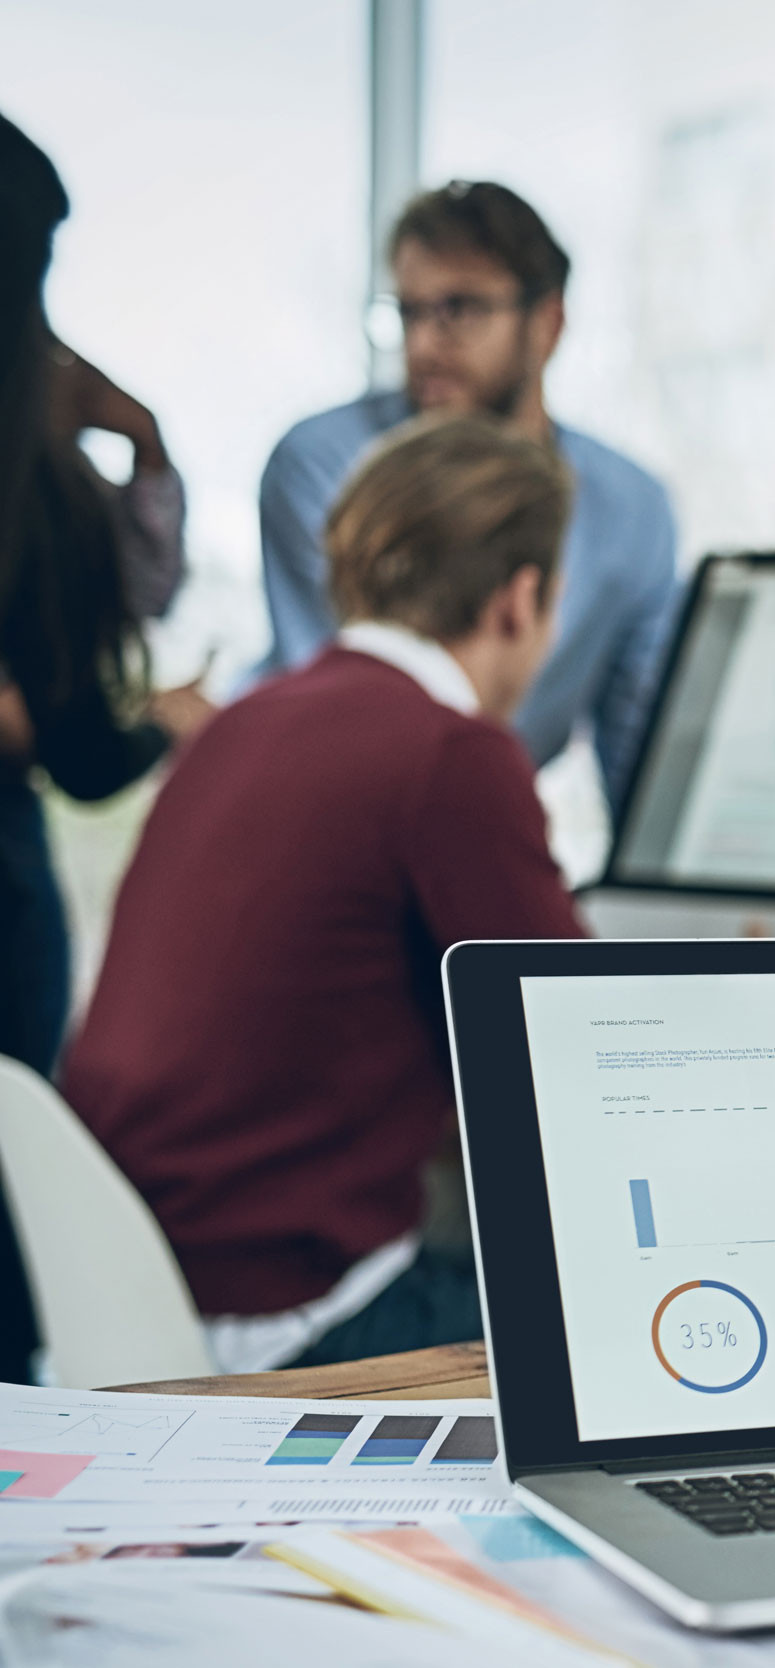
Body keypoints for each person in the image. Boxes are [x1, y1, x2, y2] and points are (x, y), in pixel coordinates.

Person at [61, 415, 586, 1371]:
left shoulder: (244, 723)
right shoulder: (450, 754)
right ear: (520, 599)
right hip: (280, 1324)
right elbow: (588, 1049)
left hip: (118, 1294)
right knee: (628, 1318)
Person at [256, 180, 676, 811]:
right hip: (325, 807)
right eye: (409, 313)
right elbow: (352, 710)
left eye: (460, 310)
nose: (423, 346)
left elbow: (641, 758)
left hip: (483, 814)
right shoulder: (328, 464)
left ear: (548, 322)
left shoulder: (632, 509)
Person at [0, 116, 210, 1078]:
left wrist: (146, 444)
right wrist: (163, 724)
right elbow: (82, 749)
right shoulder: (34, 481)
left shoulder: (43, 480)